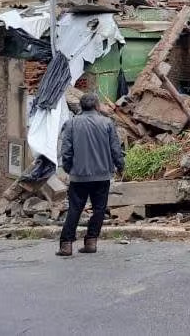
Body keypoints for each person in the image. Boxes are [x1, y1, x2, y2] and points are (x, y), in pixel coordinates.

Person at [57, 93, 124, 257]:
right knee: (99, 209)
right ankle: (91, 241)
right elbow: (115, 149)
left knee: (74, 209)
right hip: (102, 175)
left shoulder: (71, 124)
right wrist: (120, 165)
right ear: (97, 106)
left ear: (81, 106)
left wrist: (68, 168)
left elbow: (66, 151)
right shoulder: (107, 123)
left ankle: (66, 245)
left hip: (79, 175)